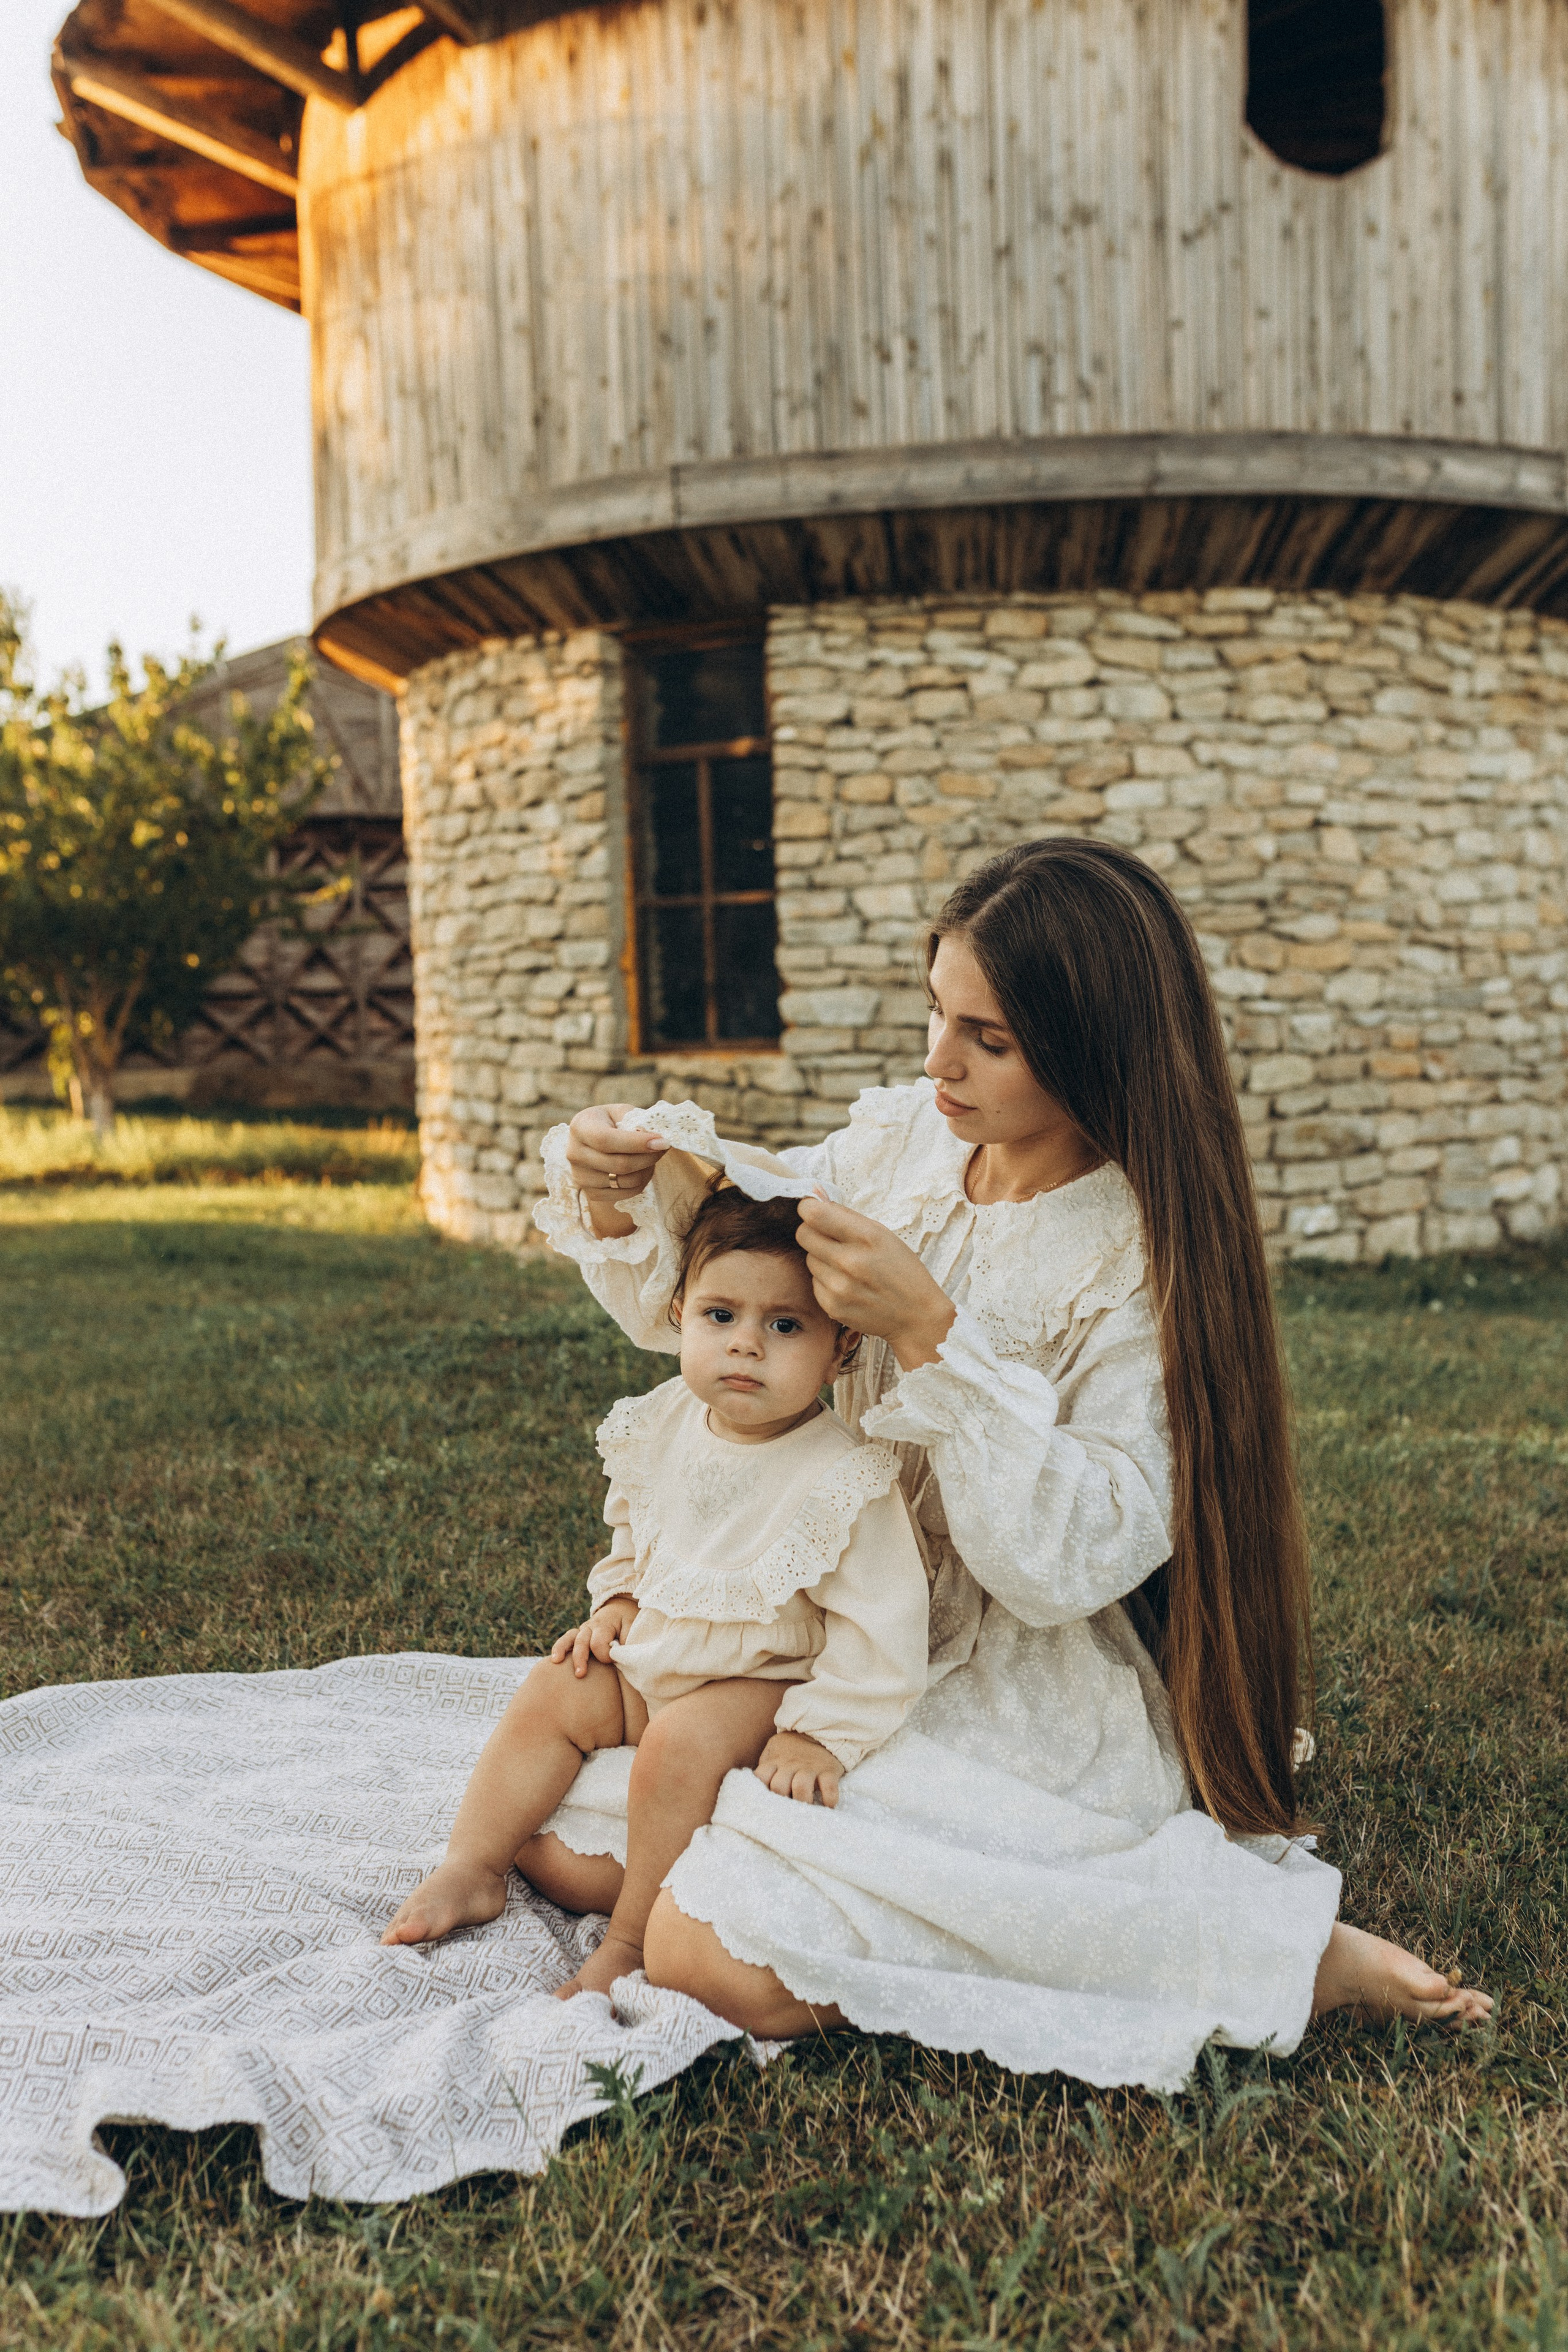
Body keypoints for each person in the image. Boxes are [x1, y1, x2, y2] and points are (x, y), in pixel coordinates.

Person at [528, 837, 1492, 2085]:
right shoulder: (898, 1146)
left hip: (999, 1670)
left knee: (705, 1950)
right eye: (936, 1012)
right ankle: (871, 1881)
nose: (937, 1063)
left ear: (1092, 1046)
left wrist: (932, 1337)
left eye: (985, 1039)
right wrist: (627, 1183)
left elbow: (1072, 1555)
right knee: (551, 1834)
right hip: (820, 1627)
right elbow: (727, 1303)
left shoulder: (1134, 1253)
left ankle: (1258, 1949)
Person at [382, 1182, 929, 2000]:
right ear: (679, 1311)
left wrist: (820, 1735)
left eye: (785, 1326)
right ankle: (474, 1864)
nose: (747, 1345)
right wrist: (619, 1605)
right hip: (660, 1653)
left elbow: (882, 1627)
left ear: (841, 1348)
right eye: (721, 1316)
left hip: (760, 1678)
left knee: (680, 1748)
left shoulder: (841, 1474)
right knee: (556, 1686)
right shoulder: (663, 1421)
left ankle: (632, 1940)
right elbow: (636, 1534)